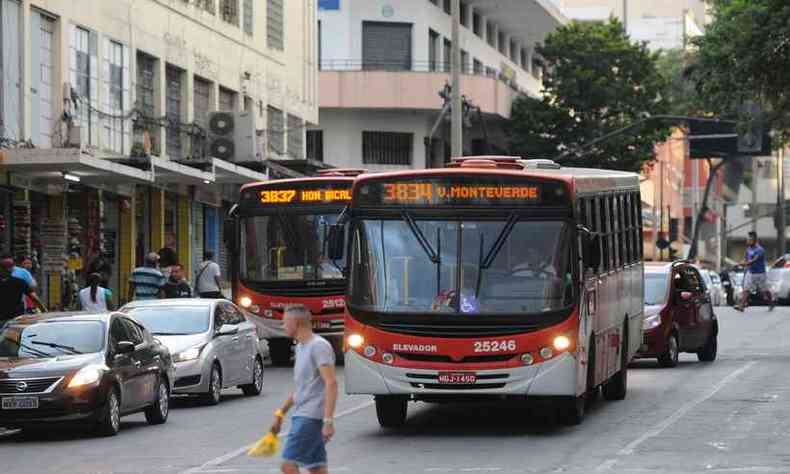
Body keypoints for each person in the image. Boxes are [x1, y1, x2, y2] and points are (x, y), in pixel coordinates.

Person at [270, 305, 338, 474]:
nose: (283, 326)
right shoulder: (300, 347)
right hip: (304, 414)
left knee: (288, 464)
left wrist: (328, 421)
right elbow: (301, 388)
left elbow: (331, 383)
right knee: (316, 468)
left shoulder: (319, 346)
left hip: (310, 417)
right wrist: (280, 414)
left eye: (285, 322)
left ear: (296, 322)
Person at [735, 231, 774, 312]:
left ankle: (771, 302)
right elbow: (746, 259)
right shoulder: (748, 250)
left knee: (764, 290)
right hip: (751, 272)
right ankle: (741, 306)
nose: (747, 241)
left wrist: (744, 264)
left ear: (754, 240)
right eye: (748, 239)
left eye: (750, 239)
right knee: (746, 289)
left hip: (760, 273)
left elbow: (753, 260)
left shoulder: (760, 250)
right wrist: (741, 263)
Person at [0, 254, 45, 322]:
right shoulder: (20, 282)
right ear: (12, 269)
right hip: (16, 318)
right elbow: (35, 298)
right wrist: (44, 311)